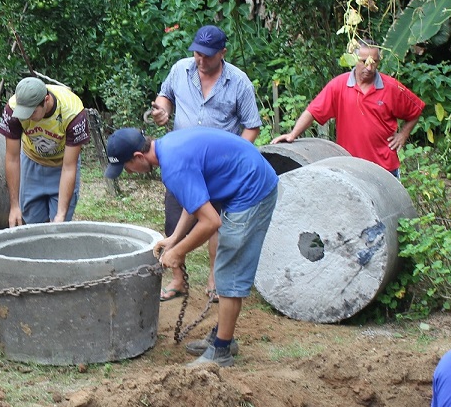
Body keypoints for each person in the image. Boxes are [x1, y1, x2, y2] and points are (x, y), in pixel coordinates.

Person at [104, 126, 277, 368]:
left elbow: (210, 222)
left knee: (229, 272)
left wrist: (179, 252)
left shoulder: (174, 166)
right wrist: (174, 238)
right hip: (247, 179)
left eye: (126, 167)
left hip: (252, 190)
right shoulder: (168, 149)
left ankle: (222, 350)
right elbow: (194, 199)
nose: (129, 173)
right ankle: (223, 336)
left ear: (138, 157)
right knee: (227, 270)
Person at [149, 24, 262, 302]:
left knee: (217, 224)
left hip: (220, 170)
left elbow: (252, 126)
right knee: (174, 218)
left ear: (223, 53)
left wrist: (234, 159)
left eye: (208, 55)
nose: (201, 60)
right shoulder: (180, 70)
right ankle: (178, 279)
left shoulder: (239, 82)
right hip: (183, 164)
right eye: (197, 53)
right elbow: (165, 96)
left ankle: (214, 279)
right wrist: (162, 109)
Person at [273, 40, 424, 177]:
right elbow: (313, 111)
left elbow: (416, 110)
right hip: (349, 167)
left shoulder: (391, 87)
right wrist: (292, 135)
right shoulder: (339, 85)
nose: (369, 67)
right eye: (364, 61)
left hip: (384, 168)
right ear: (354, 60)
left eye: (374, 62)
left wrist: (403, 135)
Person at [0, 76, 91, 226]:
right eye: (24, 112)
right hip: (31, 162)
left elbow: (69, 167)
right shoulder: (13, 108)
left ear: (46, 100)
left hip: (62, 166)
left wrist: (61, 215)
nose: (27, 116)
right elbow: (12, 158)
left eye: (32, 112)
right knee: (31, 224)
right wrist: (14, 206)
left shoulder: (73, 113)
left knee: (59, 227)